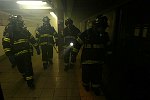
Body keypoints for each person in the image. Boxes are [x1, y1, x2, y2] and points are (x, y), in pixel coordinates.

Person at [71, 15, 112, 95]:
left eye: (104, 27)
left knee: (97, 76)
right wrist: (73, 55)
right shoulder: (86, 33)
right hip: (87, 60)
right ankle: (86, 85)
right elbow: (77, 44)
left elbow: (109, 47)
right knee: (86, 75)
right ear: (96, 26)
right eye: (101, 27)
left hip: (99, 61)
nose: (103, 29)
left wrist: (109, 57)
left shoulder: (105, 35)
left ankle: (95, 88)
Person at [2, 15, 40, 89]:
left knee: (27, 66)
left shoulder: (24, 31)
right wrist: (9, 55)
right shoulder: (9, 32)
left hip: (26, 52)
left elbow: (32, 39)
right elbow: (5, 44)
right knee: (21, 68)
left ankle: (30, 82)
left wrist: (37, 47)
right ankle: (25, 76)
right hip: (16, 53)